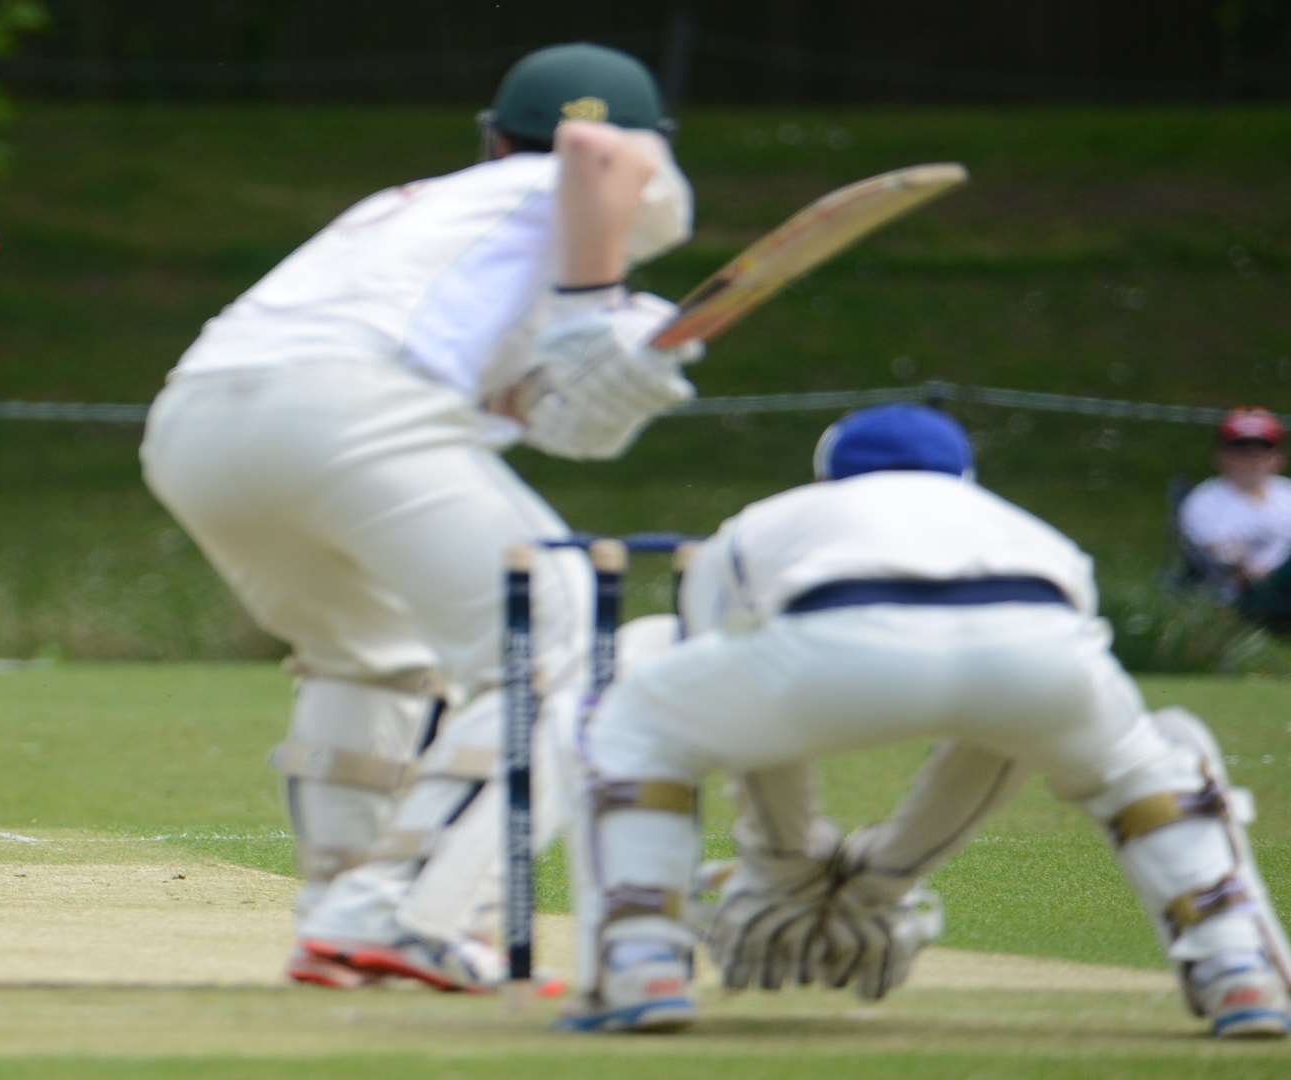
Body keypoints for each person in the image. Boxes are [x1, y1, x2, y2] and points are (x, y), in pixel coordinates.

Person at [141, 41, 699, 991]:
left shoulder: (419, 208)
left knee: (372, 654)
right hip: (350, 406)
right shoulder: (591, 170)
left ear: (487, 136)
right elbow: (600, 155)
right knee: (554, 643)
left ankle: (337, 919)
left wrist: (591, 360)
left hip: (196, 421)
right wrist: (596, 308)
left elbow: (546, 410)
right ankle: (398, 909)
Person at [560, 403, 1290, 1039]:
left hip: (838, 642)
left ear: (828, 476)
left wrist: (784, 868)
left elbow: (727, 681)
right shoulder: (1026, 528)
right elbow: (1015, 726)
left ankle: (643, 960)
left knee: (638, 723)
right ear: (964, 478)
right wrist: (884, 877)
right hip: (1037, 654)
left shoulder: (771, 519)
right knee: (1141, 772)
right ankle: (1238, 969)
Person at [1177, 406, 1291, 629]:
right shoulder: (1204, 500)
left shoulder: (1287, 494)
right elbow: (1219, 555)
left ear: (1277, 458)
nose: (1252, 459)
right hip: (1241, 591)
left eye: (1261, 450)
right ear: (1222, 456)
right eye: (1242, 450)